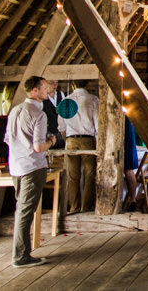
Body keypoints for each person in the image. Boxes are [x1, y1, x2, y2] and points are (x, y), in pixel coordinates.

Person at [3, 75, 56, 267]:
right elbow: (38, 147)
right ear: (34, 90)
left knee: (22, 210)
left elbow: (8, 139)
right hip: (32, 168)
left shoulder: (15, 110)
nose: (47, 91)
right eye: (43, 88)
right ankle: (20, 256)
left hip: (16, 167)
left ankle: (23, 251)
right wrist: (51, 141)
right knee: (25, 213)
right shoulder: (38, 115)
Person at [57, 82, 99, 214]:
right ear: (87, 85)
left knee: (72, 175)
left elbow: (61, 126)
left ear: (74, 84)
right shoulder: (93, 99)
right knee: (90, 174)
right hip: (88, 139)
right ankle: (86, 207)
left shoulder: (65, 100)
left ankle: (74, 206)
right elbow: (98, 124)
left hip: (71, 139)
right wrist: (97, 142)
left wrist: (67, 140)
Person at [40, 80, 64, 149]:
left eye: (56, 83)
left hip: (60, 130)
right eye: (51, 83)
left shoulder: (61, 94)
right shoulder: (42, 98)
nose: (54, 85)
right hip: (48, 131)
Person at [123, 117, 139, 212]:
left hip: (127, 142)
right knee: (128, 171)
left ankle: (133, 200)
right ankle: (132, 200)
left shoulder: (127, 119)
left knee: (128, 171)